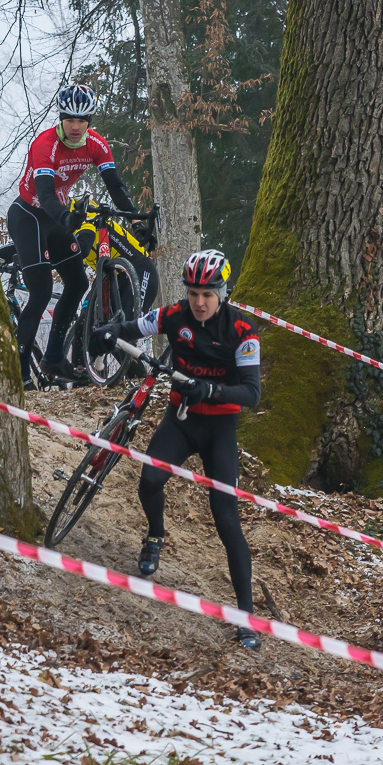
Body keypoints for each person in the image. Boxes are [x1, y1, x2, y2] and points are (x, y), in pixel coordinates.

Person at [89, 249, 264, 650]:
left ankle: (246, 616)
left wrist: (213, 390)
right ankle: (154, 535)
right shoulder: (174, 315)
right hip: (181, 420)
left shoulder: (242, 331)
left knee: (226, 521)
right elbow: (137, 326)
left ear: (223, 293)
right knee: (149, 480)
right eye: (192, 293)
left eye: (207, 294)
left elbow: (252, 392)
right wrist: (108, 331)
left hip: (220, 428)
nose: (199, 302)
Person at [8, 83, 142, 390]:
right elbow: (44, 193)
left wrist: (136, 220)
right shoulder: (45, 145)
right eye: (70, 119)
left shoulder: (95, 143)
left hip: (57, 219)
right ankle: (19, 373)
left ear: (90, 122)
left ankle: (54, 357)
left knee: (79, 282)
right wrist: (68, 217)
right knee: (41, 293)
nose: (76, 126)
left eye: (82, 121)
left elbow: (115, 186)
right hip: (29, 216)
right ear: (61, 117)